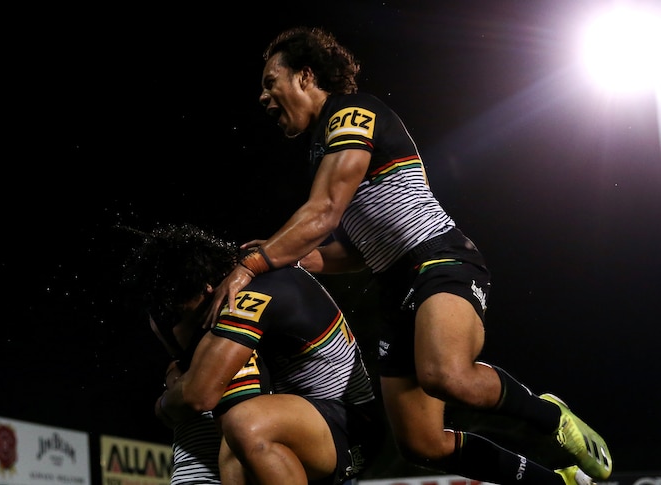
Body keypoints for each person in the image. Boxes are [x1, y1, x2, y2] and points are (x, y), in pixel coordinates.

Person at [204, 26, 612, 485]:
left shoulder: (351, 114)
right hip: (394, 287)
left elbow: (322, 213)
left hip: (438, 259)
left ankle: (548, 416)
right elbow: (354, 248)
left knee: (445, 375)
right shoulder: (323, 145)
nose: (263, 97)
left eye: (269, 82)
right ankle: (553, 483)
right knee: (422, 443)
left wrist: (253, 264)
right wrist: (287, 256)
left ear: (304, 75)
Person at [122, 222, 385, 485]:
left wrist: (163, 403)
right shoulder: (242, 270)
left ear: (207, 290)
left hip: (350, 429)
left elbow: (196, 396)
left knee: (241, 424)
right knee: (232, 437)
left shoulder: (244, 299)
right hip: (317, 427)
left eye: (184, 315)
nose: (192, 329)